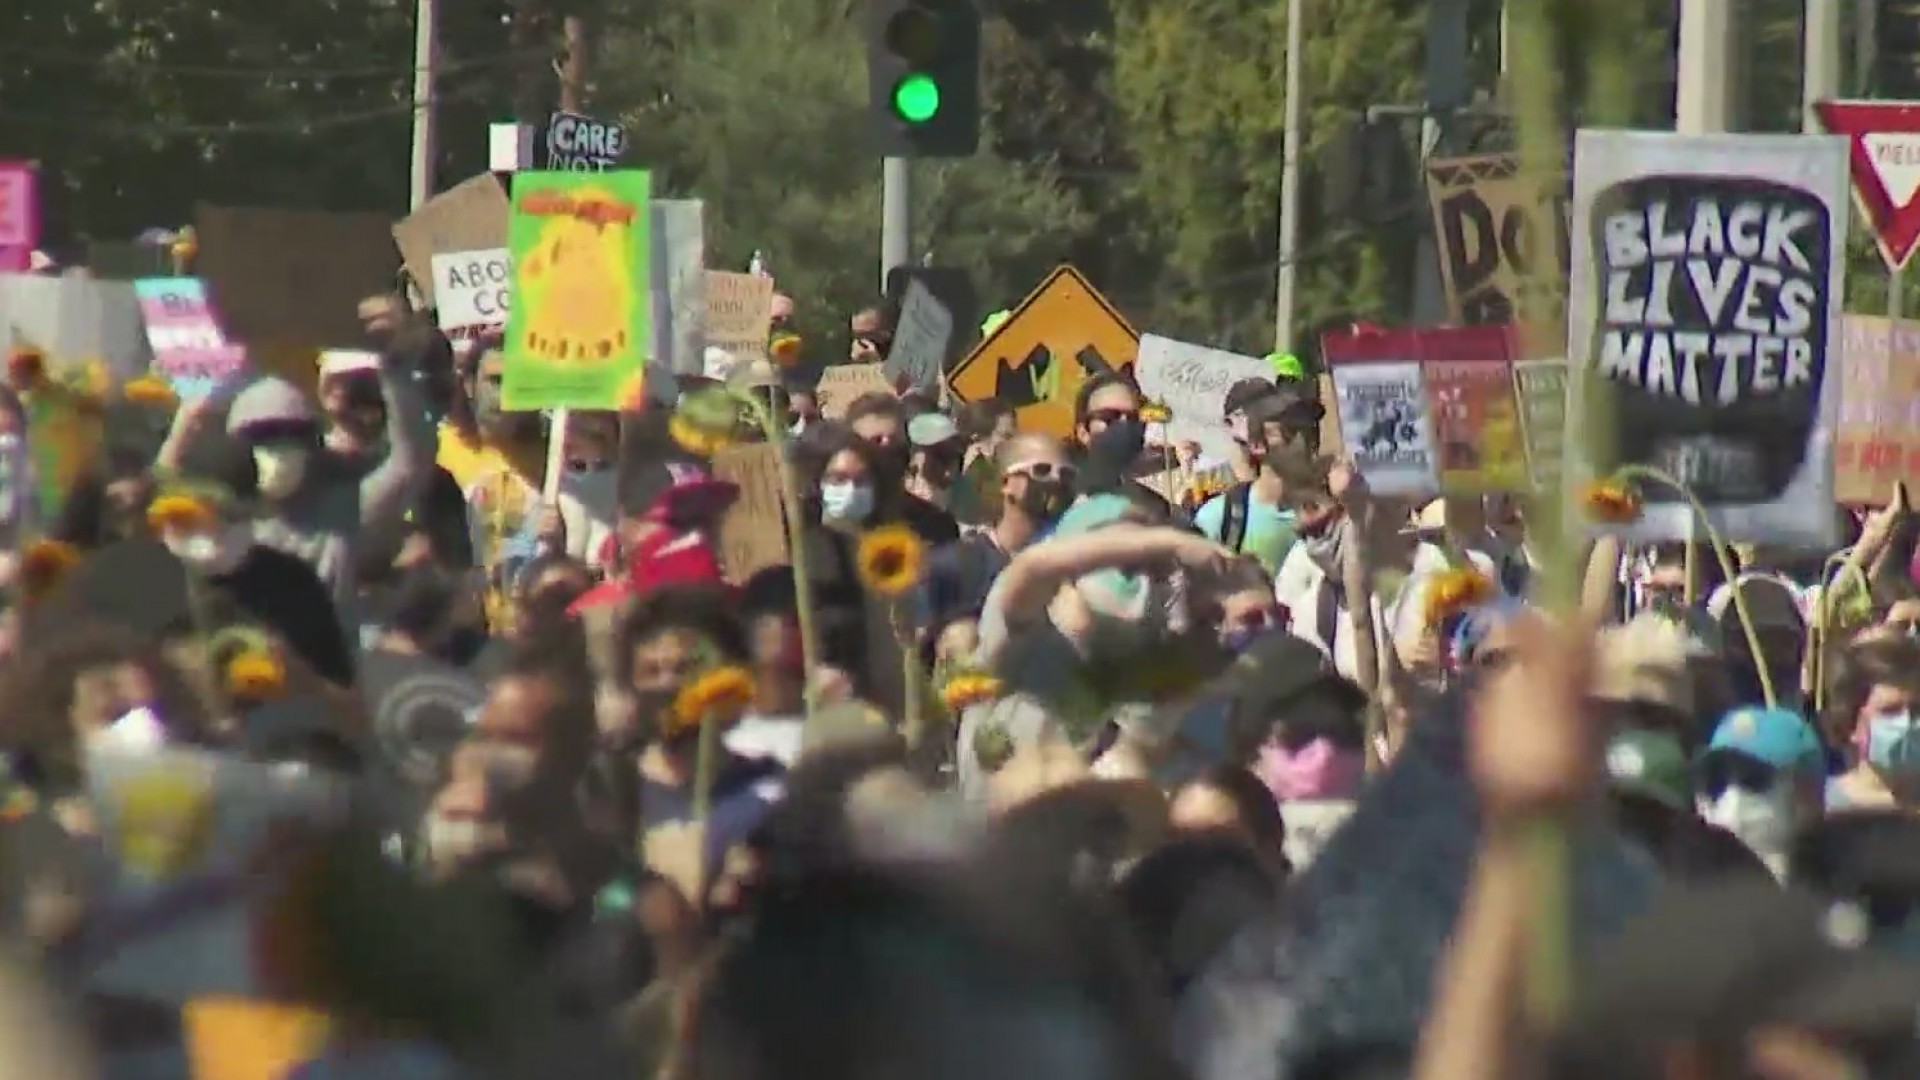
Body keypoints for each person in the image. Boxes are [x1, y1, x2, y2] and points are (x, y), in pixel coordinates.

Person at [1194, 378, 1324, 575]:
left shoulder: (1332, 513)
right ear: (1257, 445)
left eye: (1310, 429)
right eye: (1291, 431)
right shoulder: (1218, 519)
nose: (1305, 441)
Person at [1694, 705, 1827, 877]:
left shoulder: (1837, 899)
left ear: (1807, 792)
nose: (1732, 796)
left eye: (1754, 778)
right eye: (1717, 782)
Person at [842, 393, 957, 544]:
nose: (886, 446)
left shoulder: (935, 523)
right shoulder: (838, 526)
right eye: (876, 440)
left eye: (894, 439)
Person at [1824, 636, 1920, 811]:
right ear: (1852, 722)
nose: (1907, 723)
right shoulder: (1817, 808)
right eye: (1890, 712)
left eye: (1917, 710)